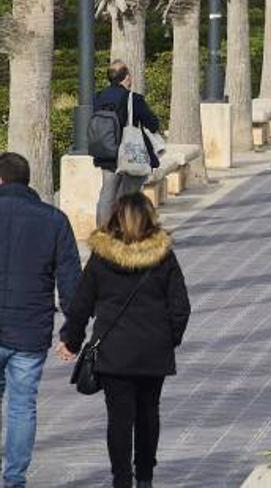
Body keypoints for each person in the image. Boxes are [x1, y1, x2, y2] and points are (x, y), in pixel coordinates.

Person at [58, 192, 190, 488]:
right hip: (154, 353)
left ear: (115, 218)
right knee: (148, 413)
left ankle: (121, 479)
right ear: (149, 219)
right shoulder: (164, 257)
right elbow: (181, 307)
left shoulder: (101, 258)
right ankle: (145, 476)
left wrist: (71, 340)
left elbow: (82, 303)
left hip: (114, 354)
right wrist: (168, 339)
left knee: (119, 418)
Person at [0, 152, 81, 488]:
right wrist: (71, 333)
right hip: (30, 330)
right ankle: (14, 480)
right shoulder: (54, 220)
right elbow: (71, 281)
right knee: (21, 406)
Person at [93, 60, 161, 228]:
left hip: (107, 153)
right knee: (130, 196)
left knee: (107, 195)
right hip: (130, 153)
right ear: (126, 77)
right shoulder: (133, 98)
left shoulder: (98, 97)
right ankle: (127, 229)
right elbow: (152, 123)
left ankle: (104, 232)